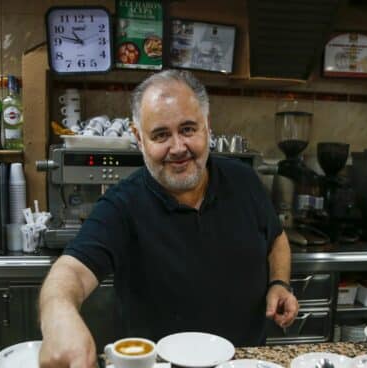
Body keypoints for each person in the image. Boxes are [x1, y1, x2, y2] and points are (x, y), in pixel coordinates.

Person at [39, 70, 299, 368]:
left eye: (188, 129)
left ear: (207, 127)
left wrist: (279, 282)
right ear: (138, 138)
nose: (177, 148)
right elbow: (70, 271)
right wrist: (60, 317)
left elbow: (276, 238)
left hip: (243, 360)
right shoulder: (122, 204)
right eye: (161, 135)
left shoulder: (244, 181)